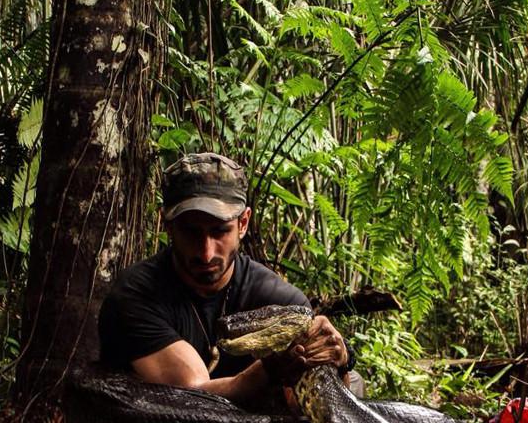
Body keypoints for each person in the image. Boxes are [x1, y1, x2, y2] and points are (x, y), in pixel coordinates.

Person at [99, 152, 356, 405]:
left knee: (355, 380)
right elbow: (193, 396)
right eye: (191, 232)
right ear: (167, 224)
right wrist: (267, 370)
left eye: (220, 231)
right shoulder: (134, 296)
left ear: (243, 223)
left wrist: (340, 360)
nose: (206, 252)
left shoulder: (281, 301)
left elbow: (319, 407)